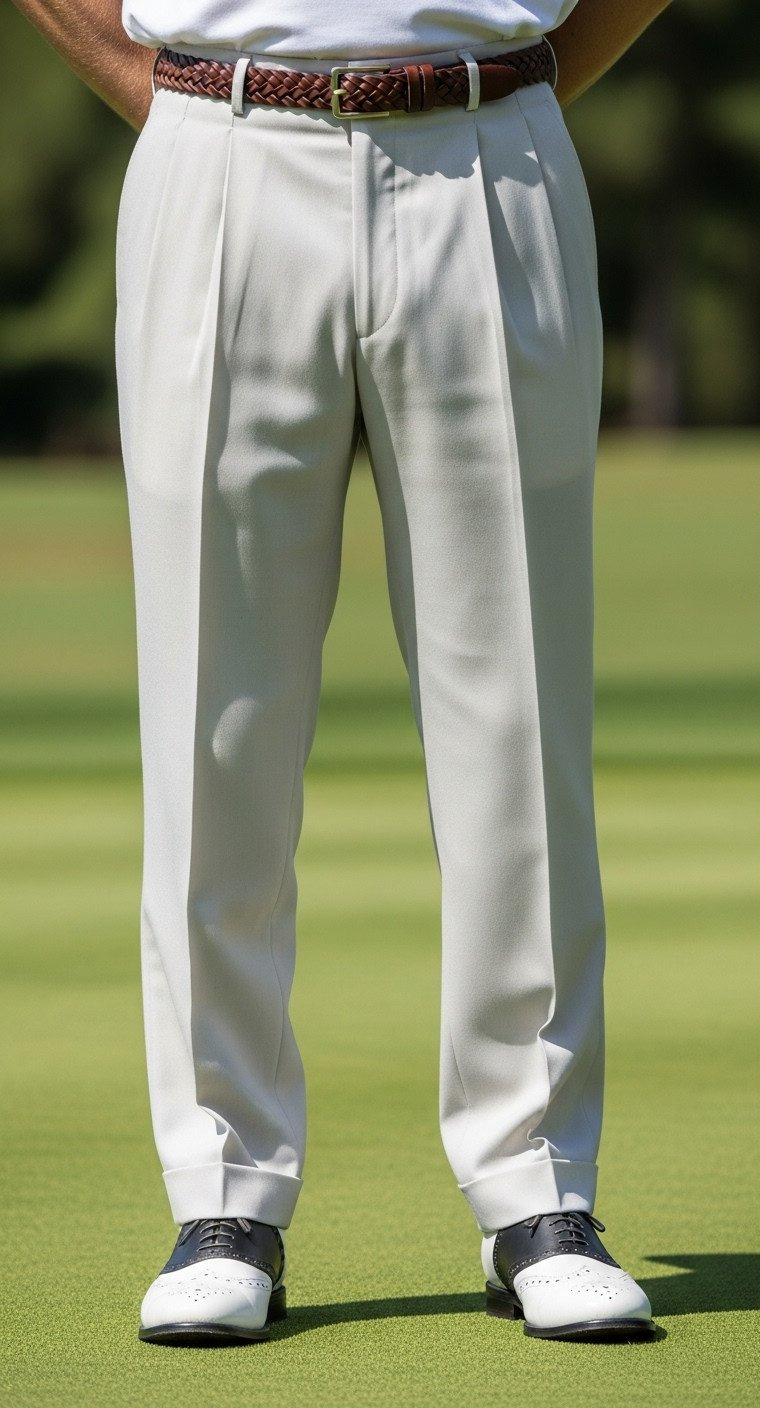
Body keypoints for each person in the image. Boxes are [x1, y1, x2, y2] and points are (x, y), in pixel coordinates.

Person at [14, 0, 671, 1346]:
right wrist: (173, 90)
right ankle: (222, 1193)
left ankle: (538, 1190)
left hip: (494, 152)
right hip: (218, 149)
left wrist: (509, 75)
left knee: (517, 713)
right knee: (215, 717)